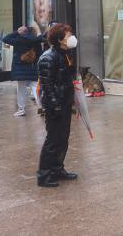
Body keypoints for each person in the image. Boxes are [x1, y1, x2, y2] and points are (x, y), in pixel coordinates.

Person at [37, 23, 78, 188]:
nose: (71, 38)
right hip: (55, 106)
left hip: (65, 103)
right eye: (68, 36)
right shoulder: (48, 57)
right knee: (53, 141)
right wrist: (55, 105)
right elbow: (47, 85)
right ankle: (44, 175)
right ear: (59, 39)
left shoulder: (65, 54)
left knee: (63, 139)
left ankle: (57, 168)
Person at [3, 26, 44, 117]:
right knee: (35, 88)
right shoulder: (36, 41)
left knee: (21, 90)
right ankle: (41, 106)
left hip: (20, 69)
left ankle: (21, 109)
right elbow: (40, 55)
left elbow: (5, 39)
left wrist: (17, 32)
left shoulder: (18, 40)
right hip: (32, 68)